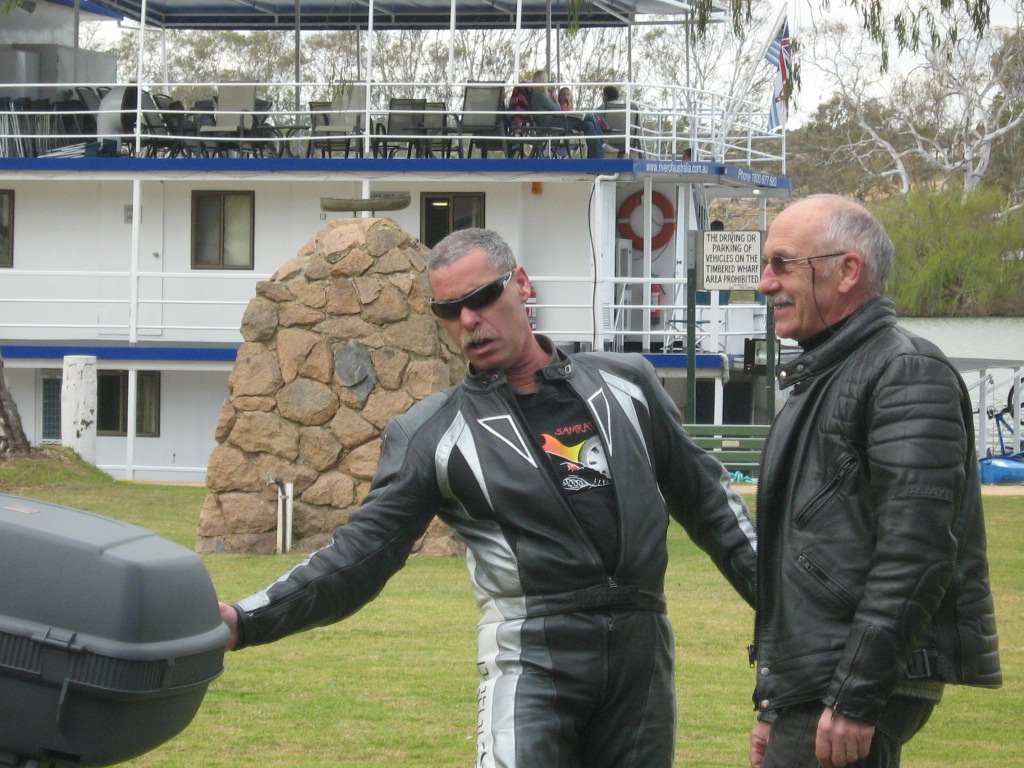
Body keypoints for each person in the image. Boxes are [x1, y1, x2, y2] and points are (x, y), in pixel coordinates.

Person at [219, 227, 758, 768]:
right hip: (532, 663)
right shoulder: (432, 433)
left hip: (642, 659)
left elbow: (712, 508)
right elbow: (361, 555)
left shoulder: (628, 384)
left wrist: (789, 606)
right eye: (449, 311)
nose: (469, 321)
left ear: (521, 284)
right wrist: (245, 620)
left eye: (480, 297)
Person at [749, 195, 1001, 768]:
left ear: (847, 271)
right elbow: (801, 558)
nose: (765, 284)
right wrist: (776, 706)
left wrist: (855, 696)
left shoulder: (904, 371)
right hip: (818, 683)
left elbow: (917, 553)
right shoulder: (824, 375)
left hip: (852, 683)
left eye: (783, 263)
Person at [529, 71, 605, 159]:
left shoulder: (538, 96)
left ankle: (594, 158)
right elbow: (558, 110)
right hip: (551, 123)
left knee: (588, 125)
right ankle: (603, 144)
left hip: (553, 121)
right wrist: (554, 96)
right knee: (590, 116)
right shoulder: (540, 96)